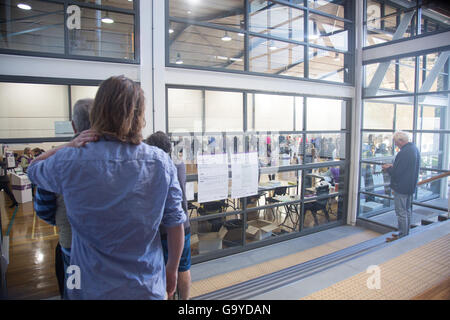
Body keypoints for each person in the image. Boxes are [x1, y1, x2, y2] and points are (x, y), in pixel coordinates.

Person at [27, 75, 186, 300]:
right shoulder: (160, 162)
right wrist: (171, 269)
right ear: (139, 116)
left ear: (97, 112)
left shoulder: (71, 160)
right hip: (146, 285)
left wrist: (68, 145)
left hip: (89, 285)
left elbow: (33, 168)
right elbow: (175, 222)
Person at [33, 98, 93, 299]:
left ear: (74, 125)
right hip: (104, 245)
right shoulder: (113, 155)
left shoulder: (57, 160)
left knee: (73, 290)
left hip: (71, 245)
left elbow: (43, 209)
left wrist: (61, 218)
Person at [145, 131, 192, 300]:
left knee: (166, 270)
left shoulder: (156, 167)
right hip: (184, 224)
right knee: (183, 267)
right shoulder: (179, 164)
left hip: (164, 229)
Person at [382, 132, 420, 242]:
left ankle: (402, 234)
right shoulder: (414, 149)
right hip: (410, 186)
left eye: (395, 142)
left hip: (401, 187)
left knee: (401, 211)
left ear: (401, 141)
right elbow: (406, 167)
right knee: (407, 209)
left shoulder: (404, 153)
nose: (395, 144)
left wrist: (387, 168)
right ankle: (405, 232)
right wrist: (393, 166)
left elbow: (397, 172)